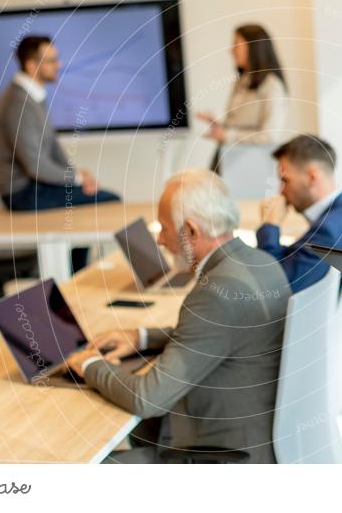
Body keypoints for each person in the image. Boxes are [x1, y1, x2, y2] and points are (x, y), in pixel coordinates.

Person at [67, 170, 291, 463]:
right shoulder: (263, 262)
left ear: (191, 231)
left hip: (222, 454)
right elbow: (219, 336)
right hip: (257, 435)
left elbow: (147, 399)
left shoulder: (215, 294)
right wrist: (141, 336)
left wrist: (89, 363)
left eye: (164, 228)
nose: (160, 240)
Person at [0, 35, 120, 270]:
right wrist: (77, 180)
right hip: (22, 192)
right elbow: (36, 166)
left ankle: (75, 275)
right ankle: (74, 277)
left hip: (35, 185)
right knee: (107, 201)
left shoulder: (32, 96)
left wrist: (79, 177)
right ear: (32, 65)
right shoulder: (18, 103)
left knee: (91, 198)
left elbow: (52, 148)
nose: (58, 64)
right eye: (51, 60)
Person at [257, 134, 342, 293]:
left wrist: (270, 225)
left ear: (312, 176)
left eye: (285, 181)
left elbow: (275, 286)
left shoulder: (329, 230)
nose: (280, 191)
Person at [196, 24, 289, 170]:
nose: (231, 51)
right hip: (228, 157)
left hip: (250, 165)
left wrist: (227, 135)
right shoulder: (241, 82)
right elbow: (237, 125)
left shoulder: (271, 86)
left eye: (236, 44)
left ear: (253, 47)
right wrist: (219, 127)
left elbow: (269, 135)